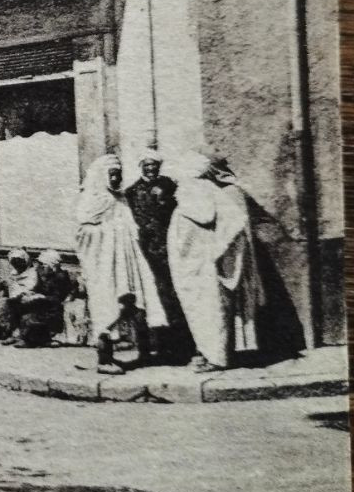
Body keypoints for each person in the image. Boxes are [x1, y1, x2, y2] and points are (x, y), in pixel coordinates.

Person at [168, 152, 263, 373]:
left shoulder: (200, 192)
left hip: (204, 265)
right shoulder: (201, 192)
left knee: (210, 310)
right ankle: (207, 352)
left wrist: (217, 252)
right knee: (201, 310)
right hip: (192, 266)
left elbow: (232, 225)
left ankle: (217, 357)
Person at [74, 154, 167, 350]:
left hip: (129, 262)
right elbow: (84, 234)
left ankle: (144, 350)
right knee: (107, 306)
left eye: (119, 174)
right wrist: (110, 233)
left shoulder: (121, 198)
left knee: (136, 303)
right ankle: (104, 357)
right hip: (106, 264)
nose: (116, 179)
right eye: (112, 174)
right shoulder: (92, 200)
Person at [125, 149, 188, 362]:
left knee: (173, 295)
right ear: (141, 166)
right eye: (147, 165)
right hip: (145, 250)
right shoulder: (131, 191)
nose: (151, 169)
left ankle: (180, 348)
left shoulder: (170, 185)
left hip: (170, 247)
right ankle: (151, 347)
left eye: (155, 165)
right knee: (151, 298)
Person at [0, 249, 66, 349]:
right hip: (39, 302)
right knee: (12, 304)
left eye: (44, 264)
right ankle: (15, 334)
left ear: (53, 265)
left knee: (29, 315)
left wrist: (40, 296)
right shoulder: (44, 274)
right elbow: (37, 288)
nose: (41, 266)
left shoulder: (61, 277)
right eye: (40, 264)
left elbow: (57, 299)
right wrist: (30, 293)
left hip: (50, 308)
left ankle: (29, 340)